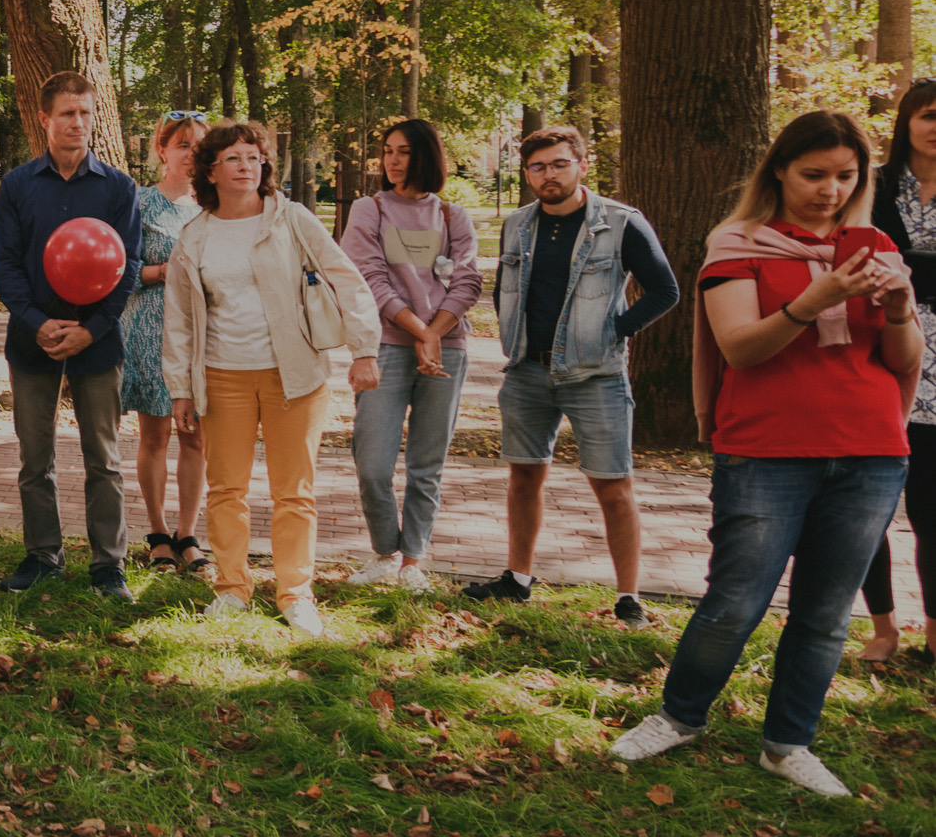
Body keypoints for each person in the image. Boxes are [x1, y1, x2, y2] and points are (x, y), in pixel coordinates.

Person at [613, 111, 920, 798]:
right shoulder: (739, 244)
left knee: (825, 612)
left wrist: (900, 307)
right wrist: (817, 297)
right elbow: (741, 347)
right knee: (736, 600)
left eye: (846, 176)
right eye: (814, 174)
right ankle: (678, 716)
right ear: (779, 170)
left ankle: (788, 742)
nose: (830, 189)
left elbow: (902, 361)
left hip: (870, 450)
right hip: (768, 449)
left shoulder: (872, 243)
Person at [164, 120, 380, 636]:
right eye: (233, 158)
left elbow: (346, 279)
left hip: (295, 374)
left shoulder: (293, 219)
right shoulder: (194, 236)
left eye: (253, 157)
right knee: (226, 489)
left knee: (294, 492)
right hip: (222, 376)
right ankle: (232, 588)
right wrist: (180, 388)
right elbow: (180, 320)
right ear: (210, 171)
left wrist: (364, 349)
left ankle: (295, 594)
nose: (245, 165)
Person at [467, 125, 680, 627]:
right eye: (538, 167)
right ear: (526, 174)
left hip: (596, 376)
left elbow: (664, 289)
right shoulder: (518, 224)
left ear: (582, 165)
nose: (549, 175)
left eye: (560, 164)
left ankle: (629, 598)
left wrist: (615, 331)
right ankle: (518, 580)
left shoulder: (621, 222)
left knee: (613, 486)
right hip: (527, 372)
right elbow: (506, 289)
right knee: (524, 477)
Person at [0, 74, 145, 598]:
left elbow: (127, 269)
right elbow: (6, 266)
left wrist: (92, 329)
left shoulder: (119, 188)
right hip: (33, 339)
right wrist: (38, 322)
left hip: (97, 342)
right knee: (36, 458)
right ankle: (43, 556)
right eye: (66, 114)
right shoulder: (16, 186)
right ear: (44, 119)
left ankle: (108, 566)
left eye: (85, 113)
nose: (77, 123)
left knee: (104, 458)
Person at [342, 119, 482, 592]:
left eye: (403, 151)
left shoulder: (452, 216)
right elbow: (368, 276)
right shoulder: (370, 208)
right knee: (373, 461)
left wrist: (435, 332)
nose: (393, 161)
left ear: (427, 156)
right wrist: (420, 330)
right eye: (387, 151)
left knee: (427, 463)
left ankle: (412, 561)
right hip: (386, 346)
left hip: (447, 349)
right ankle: (385, 552)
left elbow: (468, 281)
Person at [866, 76, 936, 666]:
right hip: (880, 360)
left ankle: (935, 636)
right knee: (867, 509)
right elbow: (860, 257)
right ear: (907, 120)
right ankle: (884, 629)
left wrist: (905, 269)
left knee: (933, 510)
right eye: (930, 115)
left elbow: (891, 265)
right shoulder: (875, 185)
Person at [122, 114, 207, 573]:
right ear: (162, 151)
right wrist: (164, 272)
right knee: (155, 437)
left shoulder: (218, 205)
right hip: (152, 331)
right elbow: (119, 270)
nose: (190, 154)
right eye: (181, 146)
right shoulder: (140, 203)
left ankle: (188, 533)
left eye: (198, 146)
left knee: (196, 439)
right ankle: (157, 533)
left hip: (205, 337)